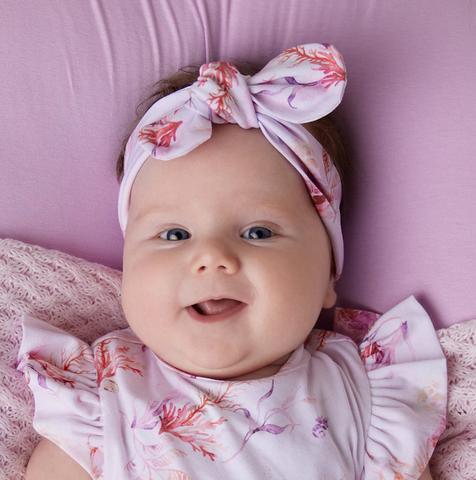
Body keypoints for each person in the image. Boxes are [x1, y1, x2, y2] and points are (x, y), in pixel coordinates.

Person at [18, 43, 446, 479]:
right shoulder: (102, 398)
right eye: (174, 234)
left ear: (327, 276)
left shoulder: (365, 397)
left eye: (258, 233)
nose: (212, 257)